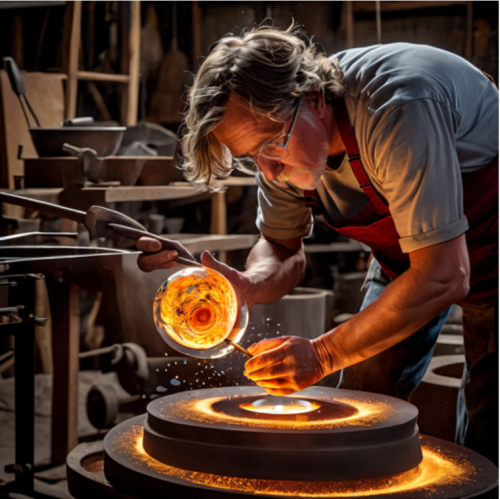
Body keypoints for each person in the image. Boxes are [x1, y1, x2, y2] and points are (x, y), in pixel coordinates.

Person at [137, 25, 498, 464]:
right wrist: (250, 283)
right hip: (407, 258)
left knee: (489, 414)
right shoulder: (283, 147)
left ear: (313, 97)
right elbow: (281, 246)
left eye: (271, 146)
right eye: (253, 157)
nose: (267, 171)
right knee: (366, 390)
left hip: (488, 240)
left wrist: (322, 354)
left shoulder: (397, 107)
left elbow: (445, 274)